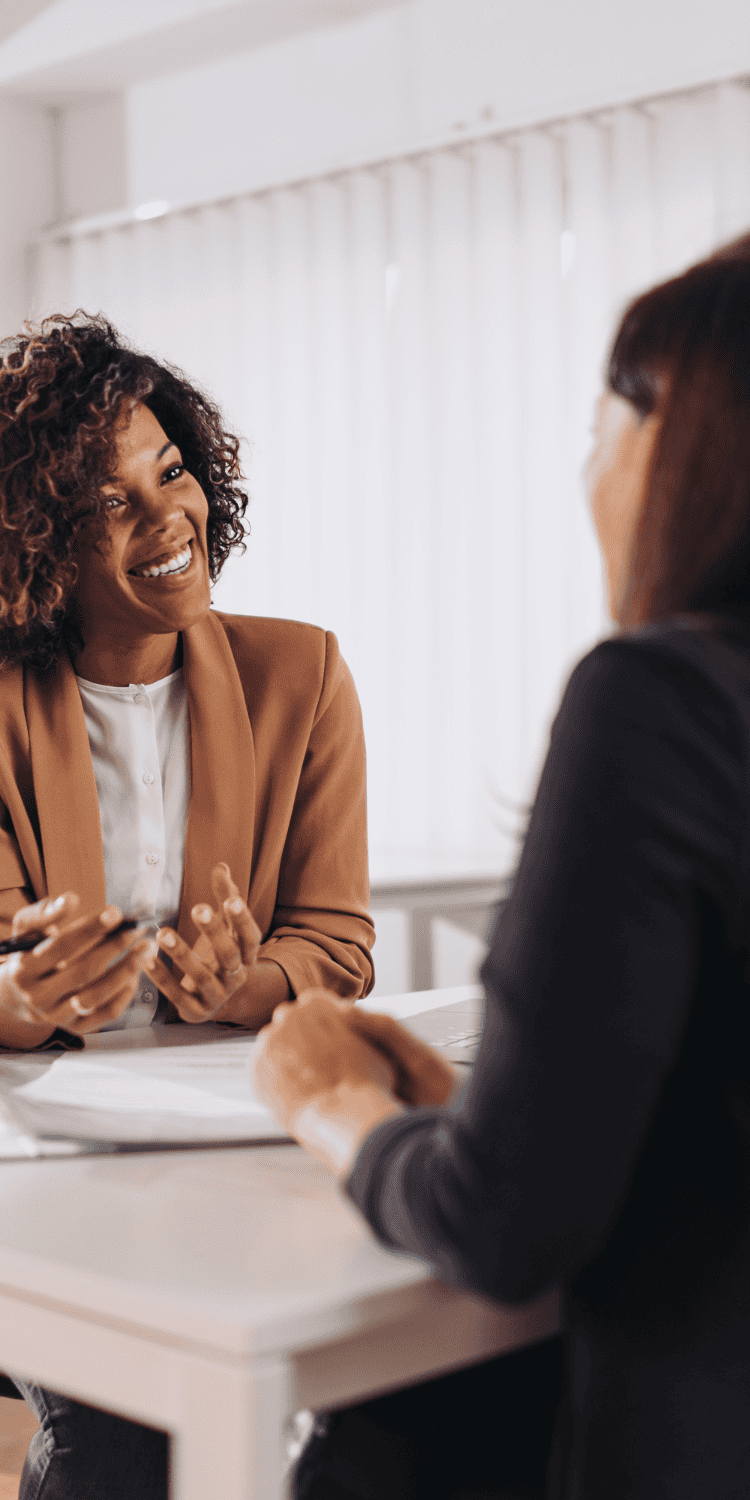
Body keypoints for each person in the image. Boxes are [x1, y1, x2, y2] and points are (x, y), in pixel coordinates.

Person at [255, 233, 750, 1500]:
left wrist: (332, 1102)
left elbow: (507, 1222)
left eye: (604, 422)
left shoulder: (658, 701)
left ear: (685, 444)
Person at [0, 311, 374, 1498]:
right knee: (118, 1429)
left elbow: (335, 938)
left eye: (172, 472)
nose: (169, 518)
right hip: (37, 1159)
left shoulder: (300, 674)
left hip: (219, 1151)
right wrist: (18, 994)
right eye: (112, 501)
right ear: (41, 539)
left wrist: (249, 982)